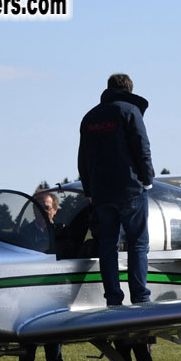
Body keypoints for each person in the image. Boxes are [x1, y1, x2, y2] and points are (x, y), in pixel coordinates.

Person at [77, 73, 153, 307]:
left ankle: (113, 298)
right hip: (130, 190)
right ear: (129, 89)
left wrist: (89, 188)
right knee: (137, 244)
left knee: (107, 246)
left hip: (101, 194)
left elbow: (82, 158)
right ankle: (140, 297)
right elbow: (142, 146)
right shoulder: (130, 111)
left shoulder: (89, 118)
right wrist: (147, 179)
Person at [17, 191, 68, 361]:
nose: (42, 211)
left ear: (55, 211)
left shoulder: (62, 233)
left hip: (53, 301)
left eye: (47, 207)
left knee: (54, 356)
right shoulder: (22, 233)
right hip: (28, 299)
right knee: (26, 356)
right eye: (38, 207)